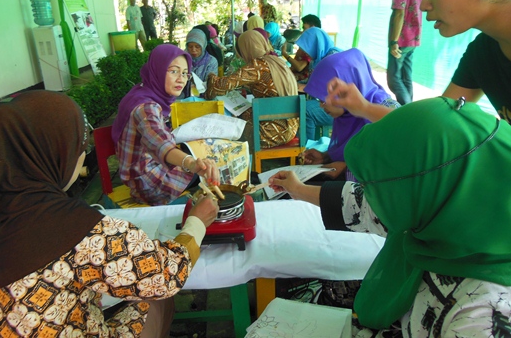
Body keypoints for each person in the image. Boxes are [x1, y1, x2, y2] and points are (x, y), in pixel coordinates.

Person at [0, 90, 220, 338]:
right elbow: (166, 275)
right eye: (79, 148)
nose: (83, 158)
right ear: (56, 153)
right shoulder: (78, 229)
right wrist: (197, 222)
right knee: (156, 301)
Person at [269, 96, 511, 337]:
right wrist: (298, 189)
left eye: (385, 189)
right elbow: (362, 204)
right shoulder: (449, 212)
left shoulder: (485, 316)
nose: (376, 198)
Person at [327, 0, 511, 126]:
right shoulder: (483, 53)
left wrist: (393, 42)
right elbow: (433, 124)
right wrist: (363, 107)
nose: (423, 5)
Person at [112, 44, 220, 205]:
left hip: (142, 172)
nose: (181, 79)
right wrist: (191, 163)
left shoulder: (141, 92)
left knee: (202, 155)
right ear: (158, 69)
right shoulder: (146, 108)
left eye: (185, 73)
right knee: (214, 161)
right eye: (174, 71)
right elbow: (162, 145)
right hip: (151, 184)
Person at [301, 48, 399, 180]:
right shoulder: (346, 115)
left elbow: (394, 163)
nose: (321, 105)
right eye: (320, 100)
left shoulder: (387, 112)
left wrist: (346, 168)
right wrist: (326, 157)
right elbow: (352, 152)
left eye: (324, 100)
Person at [206, 30, 299, 149]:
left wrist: (211, 76)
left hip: (268, 133)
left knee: (225, 128)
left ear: (246, 48)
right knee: (243, 112)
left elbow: (220, 85)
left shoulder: (257, 65)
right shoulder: (277, 61)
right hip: (291, 128)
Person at [387, 0, 422, 106]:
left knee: (394, 79)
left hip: (401, 38)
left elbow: (399, 13)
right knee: (406, 77)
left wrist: (394, 41)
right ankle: (410, 109)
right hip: (414, 37)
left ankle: (406, 110)